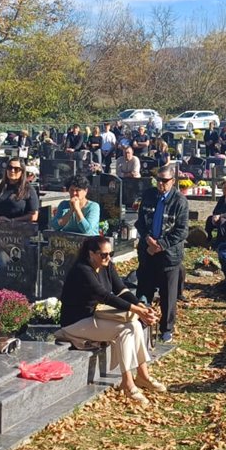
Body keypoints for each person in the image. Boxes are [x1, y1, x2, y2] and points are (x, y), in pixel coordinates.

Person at [56, 236, 165, 405]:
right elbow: (104, 296)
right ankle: (127, 383)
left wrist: (140, 305)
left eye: (111, 254)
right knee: (125, 330)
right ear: (91, 254)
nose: (108, 258)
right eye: (103, 254)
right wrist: (137, 310)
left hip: (93, 317)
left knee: (135, 325)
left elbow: (121, 290)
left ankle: (143, 376)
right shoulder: (82, 270)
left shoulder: (107, 266)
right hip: (76, 322)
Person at [135, 164, 188, 343]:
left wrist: (161, 245)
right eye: (158, 180)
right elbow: (140, 222)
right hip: (147, 251)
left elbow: (182, 231)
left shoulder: (180, 201)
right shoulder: (149, 195)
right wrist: (147, 238)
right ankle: (142, 322)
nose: (160, 184)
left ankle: (167, 329)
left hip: (168, 256)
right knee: (144, 289)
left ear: (173, 181)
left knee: (168, 295)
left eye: (165, 181)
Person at [0, 158, 39, 223]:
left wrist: (12, 221)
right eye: (9, 168)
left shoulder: (28, 190)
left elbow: (34, 215)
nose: (12, 171)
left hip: (20, 227)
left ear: (22, 172)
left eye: (16, 169)